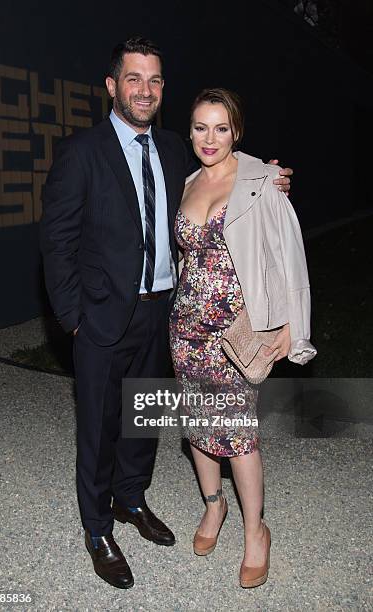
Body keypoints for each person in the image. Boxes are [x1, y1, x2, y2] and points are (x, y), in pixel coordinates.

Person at [39, 38, 293, 590]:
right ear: (112, 86)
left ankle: (132, 500)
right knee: (99, 426)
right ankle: (98, 527)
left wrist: (269, 176)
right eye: (134, 79)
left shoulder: (177, 148)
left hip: (166, 316)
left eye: (154, 80)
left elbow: (227, 170)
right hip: (103, 319)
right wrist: (73, 318)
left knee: (144, 421)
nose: (145, 90)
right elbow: (56, 241)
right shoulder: (82, 152)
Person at [169, 88, 316, 588]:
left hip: (234, 332)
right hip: (186, 330)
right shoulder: (188, 182)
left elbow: (288, 252)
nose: (210, 139)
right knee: (199, 427)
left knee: (239, 437)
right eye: (200, 128)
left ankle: (257, 531)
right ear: (189, 131)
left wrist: (292, 322)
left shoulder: (260, 181)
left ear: (237, 132)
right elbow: (187, 258)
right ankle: (214, 508)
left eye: (221, 128)